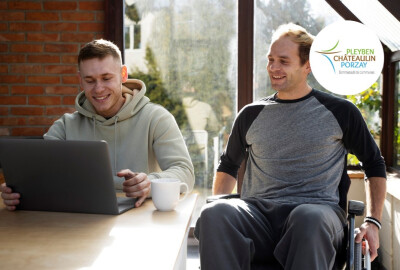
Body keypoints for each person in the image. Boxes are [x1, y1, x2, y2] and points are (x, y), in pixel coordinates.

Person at [194, 23, 387, 270]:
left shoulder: (341, 112)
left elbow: (374, 164)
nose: (273, 68)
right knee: (215, 213)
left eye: (284, 61)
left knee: (307, 217)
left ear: (308, 65)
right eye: (271, 59)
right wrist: (219, 210)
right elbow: (228, 166)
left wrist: (373, 222)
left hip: (317, 218)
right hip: (259, 218)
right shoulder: (251, 114)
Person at [1, 39, 194, 210]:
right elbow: (38, 174)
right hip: (80, 222)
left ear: (123, 74)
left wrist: (150, 183)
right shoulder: (66, 126)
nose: (98, 88)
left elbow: (185, 172)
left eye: (106, 78)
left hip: (139, 220)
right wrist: (17, 190)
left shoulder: (156, 118)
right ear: (80, 81)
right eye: (90, 80)